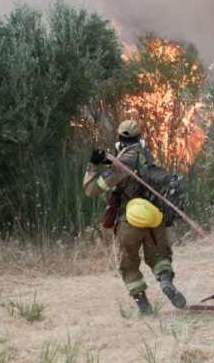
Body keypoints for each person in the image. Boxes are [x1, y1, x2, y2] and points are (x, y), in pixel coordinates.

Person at [84, 119, 187, 316]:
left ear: (118, 139)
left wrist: (93, 165)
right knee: (160, 257)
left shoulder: (121, 164)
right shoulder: (147, 156)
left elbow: (91, 189)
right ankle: (165, 281)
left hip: (130, 221)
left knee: (129, 264)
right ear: (139, 138)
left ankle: (144, 306)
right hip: (155, 218)